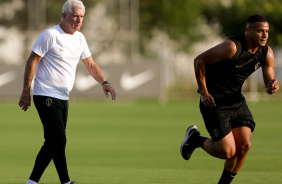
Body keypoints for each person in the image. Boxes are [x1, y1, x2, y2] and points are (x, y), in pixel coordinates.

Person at [19, 0, 116, 184]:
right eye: (75, 16)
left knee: (52, 142)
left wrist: (104, 82)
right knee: (59, 139)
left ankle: (31, 182)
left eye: (81, 17)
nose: (79, 20)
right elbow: (32, 61)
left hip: (63, 97)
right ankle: (66, 182)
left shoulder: (80, 38)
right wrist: (26, 90)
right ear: (64, 16)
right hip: (45, 94)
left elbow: (91, 64)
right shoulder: (50, 35)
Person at [180, 15, 279, 184]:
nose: (264, 35)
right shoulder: (232, 47)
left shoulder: (267, 53)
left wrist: (272, 86)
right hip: (214, 101)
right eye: (260, 31)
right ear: (248, 31)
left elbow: (269, 82)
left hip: (236, 101)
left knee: (244, 146)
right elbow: (199, 60)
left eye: (267, 31)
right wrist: (204, 92)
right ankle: (195, 139)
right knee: (227, 152)